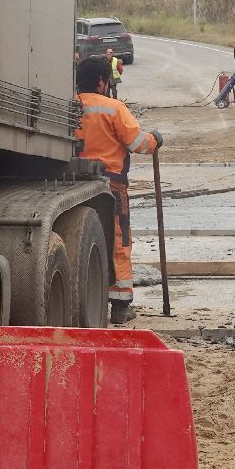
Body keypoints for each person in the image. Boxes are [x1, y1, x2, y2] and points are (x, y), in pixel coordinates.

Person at [75, 55, 163, 324]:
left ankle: (91, 298)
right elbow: (138, 143)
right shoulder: (113, 108)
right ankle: (121, 306)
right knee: (118, 242)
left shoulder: (69, 106)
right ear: (102, 81)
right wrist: (156, 140)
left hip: (73, 184)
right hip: (111, 185)